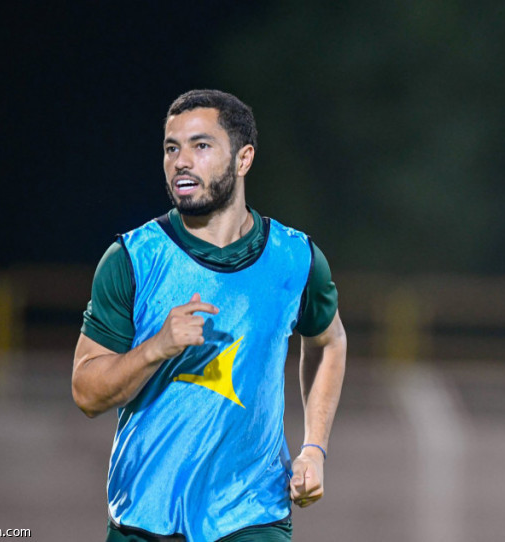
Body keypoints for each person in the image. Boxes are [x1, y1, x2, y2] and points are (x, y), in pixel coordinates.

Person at [72, 89, 347, 542]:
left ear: (243, 159)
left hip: (254, 517)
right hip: (143, 520)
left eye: (200, 146)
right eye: (171, 148)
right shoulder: (132, 259)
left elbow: (328, 341)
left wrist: (314, 449)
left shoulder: (295, 258)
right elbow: (86, 393)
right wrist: (155, 348)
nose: (181, 161)